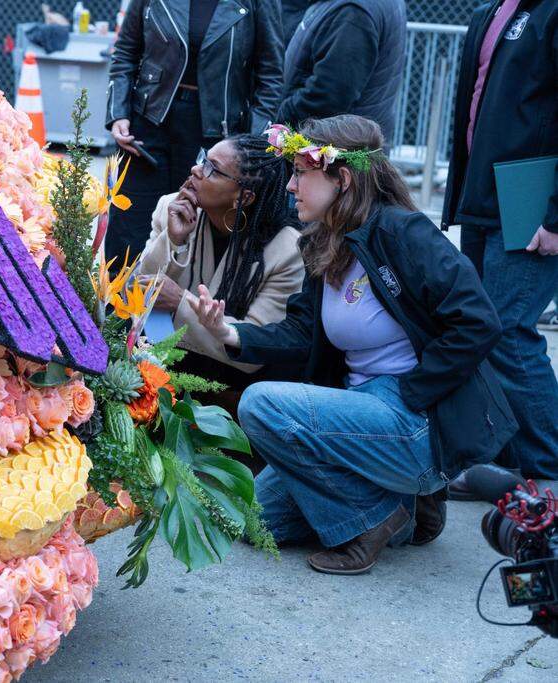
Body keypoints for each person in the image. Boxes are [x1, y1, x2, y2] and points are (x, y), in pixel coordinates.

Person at [194, 116, 515, 575]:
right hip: (363, 415)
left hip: (413, 420)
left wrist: (412, 391)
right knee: (249, 517)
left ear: (341, 179)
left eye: (301, 173)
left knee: (261, 404)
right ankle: (401, 511)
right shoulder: (325, 240)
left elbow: (479, 323)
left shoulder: (404, 232)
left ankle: (379, 516)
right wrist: (232, 333)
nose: (289, 187)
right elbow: (304, 332)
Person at [442, 0, 558, 489]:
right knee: (484, 330)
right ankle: (509, 465)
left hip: (529, 202)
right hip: (484, 197)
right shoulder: (491, 11)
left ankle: (548, 466)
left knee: (510, 331)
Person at [104, 0, 284, 266]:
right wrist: (118, 113)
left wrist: (252, 145)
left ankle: (182, 305)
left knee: (197, 232)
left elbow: (271, 76)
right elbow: (125, 53)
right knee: (127, 231)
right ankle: (117, 306)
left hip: (216, 138)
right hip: (147, 126)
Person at [138, 134, 304, 398]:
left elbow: (254, 350)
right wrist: (173, 240)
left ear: (243, 198)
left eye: (211, 169)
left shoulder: (286, 250)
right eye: (203, 159)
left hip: (236, 385)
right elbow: (138, 292)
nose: (195, 170)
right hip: (166, 356)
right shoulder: (171, 208)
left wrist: (181, 302)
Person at [277, 0, 406, 142]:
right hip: (350, 145)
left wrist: (278, 118)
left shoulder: (353, 12)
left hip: (335, 151)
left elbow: (328, 95)